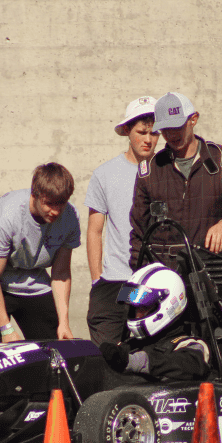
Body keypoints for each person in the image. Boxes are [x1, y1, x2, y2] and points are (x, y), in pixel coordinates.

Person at [129, 92, 222, 270]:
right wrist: (142, 273)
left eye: (177, 126)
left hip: (212, 274)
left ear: (193, 119)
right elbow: (138, 233)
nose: (171, 134)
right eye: (165, 129)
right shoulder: (149, 172)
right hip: (165, 278)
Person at [0, 163, 80, 346]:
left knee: (52, 350)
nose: (55, 211)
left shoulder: (69, 217)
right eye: (49, 204)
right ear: (34, 195)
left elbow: (60, 273)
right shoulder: (6, 215)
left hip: (33, 278)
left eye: (61, 203)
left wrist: (64, 323)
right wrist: (6, 329)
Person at [85, 96, 160, 345]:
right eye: (142, 132)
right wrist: (97, 279)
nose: (148, 140)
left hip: (154, 281)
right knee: (106, 355)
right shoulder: (104, 174)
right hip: (115, 283)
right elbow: (95, 231)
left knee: (149, 358)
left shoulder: (167, 173)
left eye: (155, 133)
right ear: (128, 130)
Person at [99, 262, 211, 382]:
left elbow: (191, 367)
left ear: (168, 305)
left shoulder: (191, 345)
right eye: (134, 308)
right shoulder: (132, 345)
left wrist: (134, 362)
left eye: (142, 308)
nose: (137, 314)